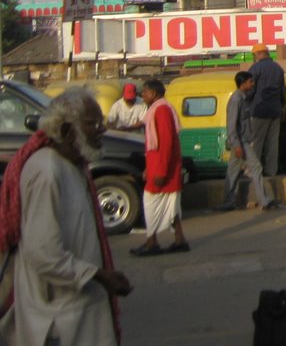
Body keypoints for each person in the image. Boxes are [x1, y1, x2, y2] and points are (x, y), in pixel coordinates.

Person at [0, 88, 133, 345]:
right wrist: (98, 275)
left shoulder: (72, 166)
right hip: (58, 317)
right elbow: (44, 253)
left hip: (77, 310)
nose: (102, 130)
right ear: (65, 131)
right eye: (93, 124)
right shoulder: (47, 170)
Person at [131, 79, 189, 256]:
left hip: (163, 167)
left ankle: (152, 242)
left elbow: (166, 142)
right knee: (171, 207)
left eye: (145, 92)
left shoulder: (161, 110)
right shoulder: (158, 109)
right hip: (160, 165)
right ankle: (179, 240)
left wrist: (161, 171)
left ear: (154, 94)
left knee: (151, 203)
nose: (143, 95)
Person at [217, 71, 277, 211]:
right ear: (243, 84)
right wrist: (237, 145)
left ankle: (229, 201)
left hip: (242, 141)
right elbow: (231, 125)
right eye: (250, 82)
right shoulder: (236, 100)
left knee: (233, 171)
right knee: (256, 167)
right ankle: (264, 200)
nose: (252, 84)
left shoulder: (243, 98)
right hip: (240, 142)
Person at [249, 43, 286, 185]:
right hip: (275, 110)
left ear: (259, 54)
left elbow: (250, 91)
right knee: (272, 143)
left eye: (254, 55)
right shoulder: (278, 69)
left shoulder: (255, 69)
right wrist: (281, 106)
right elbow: (283, 92)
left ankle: (253, 171)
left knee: (256, 143)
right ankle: (271, 170)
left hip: (258, 111)